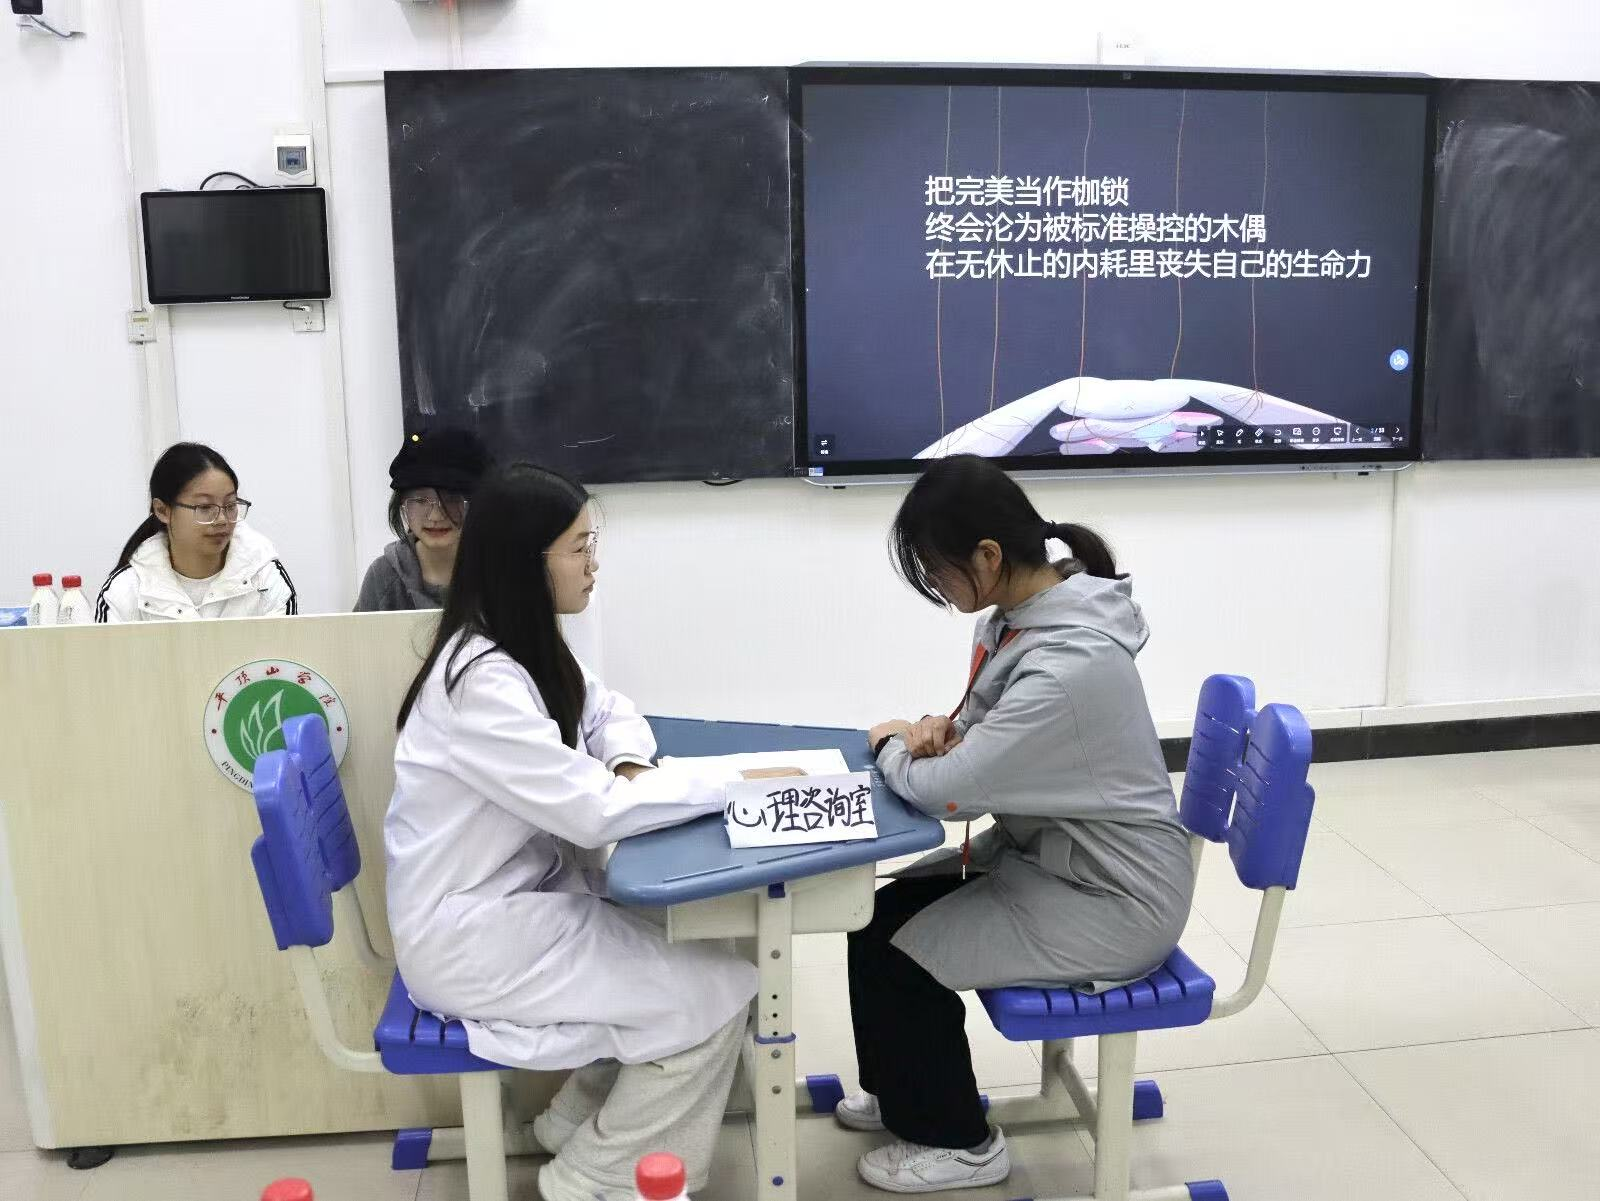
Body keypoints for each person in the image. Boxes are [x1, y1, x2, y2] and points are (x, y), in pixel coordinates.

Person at [383, 462, 756, 1201]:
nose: (593, 564)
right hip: (472, 936)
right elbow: (594, 811)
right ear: (529, 562)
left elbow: (606, 709)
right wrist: (735, 783)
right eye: (579, 547)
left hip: (516, 903)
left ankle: (573, 1124)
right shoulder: (481, 681)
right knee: (719, 992)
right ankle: (596, 1178)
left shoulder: (517, 641)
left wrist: (626, 761)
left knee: (706, 950)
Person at [841, 454, 1195, 1194]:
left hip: (1113, 901)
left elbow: (951, 796)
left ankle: (960, 1144)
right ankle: (906, 1088)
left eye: (936, 569)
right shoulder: (1018, 620)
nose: (934, 586)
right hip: (1052, 862)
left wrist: (893, 743)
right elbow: (977, 744)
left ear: (988, 556)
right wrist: (939, 732)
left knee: (899, 956)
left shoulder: (1067, 664)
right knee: (873, 915)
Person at [96, 442, 296, 623]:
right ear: (162, 510)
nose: (222, 520)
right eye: (204, 507)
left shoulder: (265, 580)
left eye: (230, 505)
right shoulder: (125, 591)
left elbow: (285, 651)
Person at [355, 428, 492, 612]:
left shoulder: (497, 572)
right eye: (420, 500)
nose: (435, 516)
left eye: (451, 499)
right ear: (402, 504)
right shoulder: (383, 577)